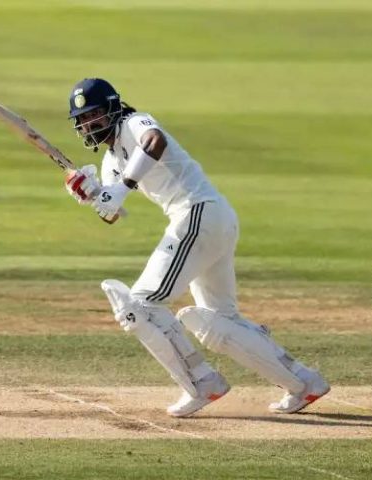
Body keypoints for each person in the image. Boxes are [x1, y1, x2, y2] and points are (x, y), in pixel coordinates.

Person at [63, 78, 329, 417]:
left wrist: (122, 188)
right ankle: (304, 383)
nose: (89, 124)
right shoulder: (111, 161)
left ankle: (202, 382)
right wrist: (91, 195)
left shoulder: (133, 122)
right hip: (214, 219)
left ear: (113, 107)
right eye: (83, 119)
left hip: (197, 213)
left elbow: (154, 141)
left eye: (95, 114)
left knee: (140, 305)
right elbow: (111, 213)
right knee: (219, 322)